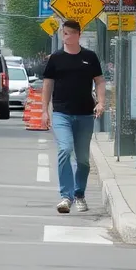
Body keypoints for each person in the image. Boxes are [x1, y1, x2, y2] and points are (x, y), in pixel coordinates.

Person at [41, 20, 104, 214]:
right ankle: (65, 196)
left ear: (78, 34)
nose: (66, 37)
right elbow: (47, 85)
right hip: (61, 113)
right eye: (64, 33)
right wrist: (45, 110)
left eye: (70, 33)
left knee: (83, 159)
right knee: (65, 149)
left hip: (85, 114)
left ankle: (79, 194)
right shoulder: (56, 58)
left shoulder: (89, 57)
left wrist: (101, 102)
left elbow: (100, 81)